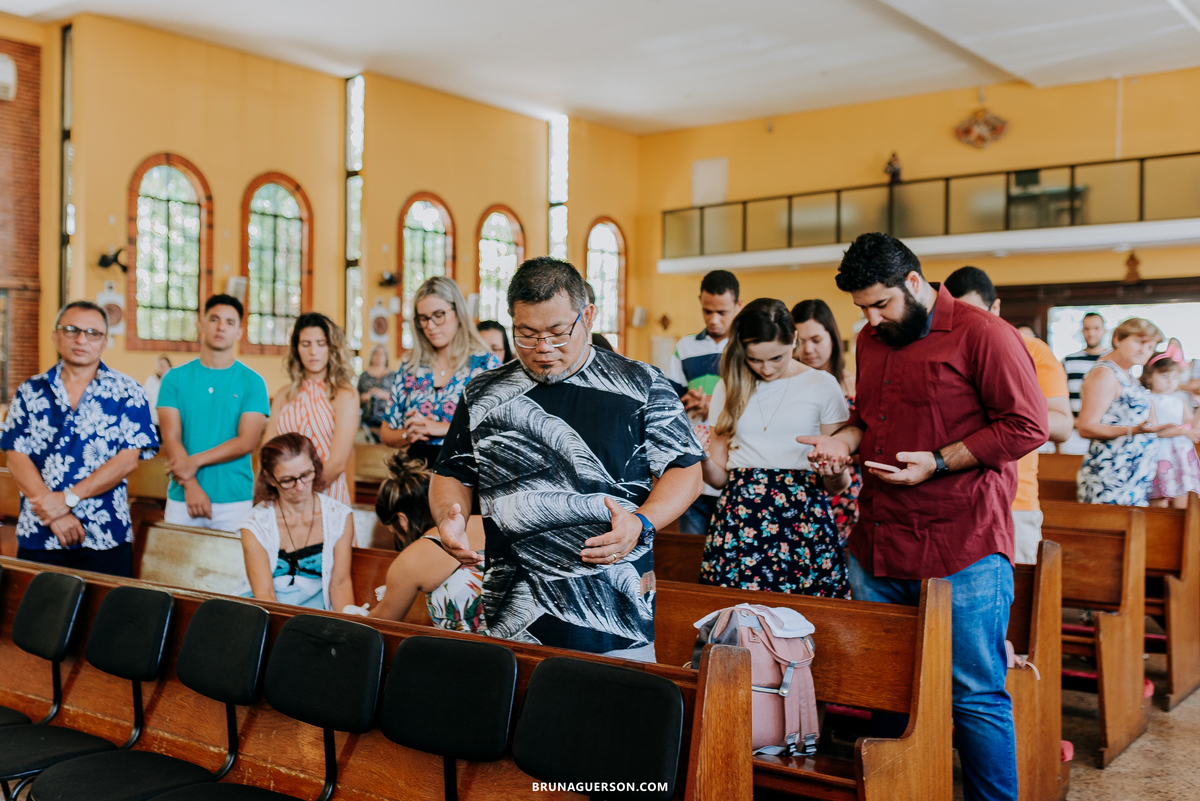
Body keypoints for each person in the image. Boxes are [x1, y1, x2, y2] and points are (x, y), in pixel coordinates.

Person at [802, 233, 1048, 801]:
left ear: (914, 283)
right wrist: (842, 441)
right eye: (861, 308)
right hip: (881, 540)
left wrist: (939, 462)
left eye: (881, 303)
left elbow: (1027, 425)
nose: (871, 318)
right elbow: (870, 418)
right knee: (884, 689)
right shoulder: (871, 339)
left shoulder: (985, 334)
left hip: (962, 543)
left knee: (975, 694)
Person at [430, 256, 703, 661]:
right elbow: (453, 472)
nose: (543, 349)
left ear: (587, 316)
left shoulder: (641, 384)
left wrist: (642, 521)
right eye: (526, 333)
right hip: (513, 618)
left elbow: (686, 471)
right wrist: (448, 515)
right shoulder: (483, 392)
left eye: (558, 332)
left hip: (616, 617)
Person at [700, 299, 851, 596]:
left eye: (777, 358)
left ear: (793, 339)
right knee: (738, 623)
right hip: (740, 518)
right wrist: (700, 457)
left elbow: (837, 485)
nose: (767, 369)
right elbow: (718, 479)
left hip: (804, 518)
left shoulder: (822, 384)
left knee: (810, 620)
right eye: (755, 360)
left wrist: (835, 472)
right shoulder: (727, 386)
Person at [1, 301, 158, 577]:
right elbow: (15, 455)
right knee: (37, 619)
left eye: (92, 333)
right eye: (72, 330)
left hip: (105, 534)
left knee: (107, 619)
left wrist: (68, 499)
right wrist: (56, 511)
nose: (81, 339)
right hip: (40, 530)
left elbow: (127, 460)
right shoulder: (30, 391)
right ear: (56, 335)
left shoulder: (128, 392)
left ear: (105, 341)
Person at [944, 266, 1073, 564]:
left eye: (976, 313)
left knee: (1016, 604)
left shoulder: (1032, 350)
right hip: (951, 499)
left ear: (996, 307)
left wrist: (1010, 417)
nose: (968, 324)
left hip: (1015, 500)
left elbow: (1063, 425)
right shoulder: (941, 350)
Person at [157, 295, 270, 530]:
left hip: (234, 498)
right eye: (214, 319)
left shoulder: (253, 382)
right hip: (182, 496)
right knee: (174, 566)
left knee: (232, 567)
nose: (221, 327)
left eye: (230, 322)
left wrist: (194, 462)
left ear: (239, 331)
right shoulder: (174, 379)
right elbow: (171, 438)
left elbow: (246, 442)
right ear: (201, 325)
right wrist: (190, 485)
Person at [379, 277, 499, 466]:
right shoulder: (411, 367)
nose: (430, 326)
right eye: (423, 318)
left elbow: (498, 427)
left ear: (458, 312)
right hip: (417, 475)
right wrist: (407, 434)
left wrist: (439, 428)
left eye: (438, 315)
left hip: (467, 474)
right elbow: (386, 433)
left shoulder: (484, 365)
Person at [364, 453, 487, 632]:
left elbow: (379, 624)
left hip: (468, 651)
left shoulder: (413, 558)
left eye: (393, 532)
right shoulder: (480, 521)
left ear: (403, 520)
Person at [239, 433, 355, 611]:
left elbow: (339, 585)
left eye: (306, 475)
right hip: (270, 613)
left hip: (319, 614)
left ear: (315, 466)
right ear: (270, 479)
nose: (300, 487)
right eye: (288, 480)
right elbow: (265, 595)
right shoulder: (255, 525)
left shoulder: (339, 517)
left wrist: (348, 631)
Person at [667, 269, 743, 536]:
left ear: (738, 306)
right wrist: (687, 401)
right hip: (695, 462)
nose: (714, 319)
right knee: (691, 548)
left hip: (731, 462)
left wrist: (713, 403)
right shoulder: (685, 347)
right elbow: (669, 402)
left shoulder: (745, 347)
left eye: (722, 312)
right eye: (707, 311)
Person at [265, 313, 358, 505]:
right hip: (283, 498)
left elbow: (338, 462)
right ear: (297, 349)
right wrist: (282, 494)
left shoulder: (344, 394)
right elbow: (268, 451)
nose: (313, 351)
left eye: (321, 343)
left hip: (327, 495)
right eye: (306, 344)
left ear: (331, 348)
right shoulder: (284, 395)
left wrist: (299, 496)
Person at [1076, 318, 1168, 507]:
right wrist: (1134, 430)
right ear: (1117, 339)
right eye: (1139, 342)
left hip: (1131, 475)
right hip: (1111, 476)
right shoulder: (1105, 373)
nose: (1144, 351)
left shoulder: (1127, 374)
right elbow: (1086, 427)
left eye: (1151, 347)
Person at [792, 298, 860, 543]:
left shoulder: (854, 384)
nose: (808, 349)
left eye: (816, 340)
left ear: (832, 336)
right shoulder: (790, 388)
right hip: (802, 486)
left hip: (848, 486)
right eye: (800, 342)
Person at [1143, 349, 1200, 508]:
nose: (1170, 382)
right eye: (1164, 376)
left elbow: (1191, 425)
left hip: (1180, 455)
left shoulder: (1179, 401)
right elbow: (1153, 431)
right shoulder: (1148, 399)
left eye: (1175, 377)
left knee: (1183, 499)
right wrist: (1183, 432)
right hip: (1160, 454)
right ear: (1149, 376)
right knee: (1159, 499)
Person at [1064, 312, 1108, 416]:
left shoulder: (1114, 360)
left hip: (1106, 427)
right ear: (1082, 331)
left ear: (1104, 331)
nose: (1091, 333)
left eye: (1096, 328)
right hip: (1074, 426)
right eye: (1087, 329)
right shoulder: (1069, 361)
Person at [357, 344, 397, 441]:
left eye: (382, 354)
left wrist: (383, 395)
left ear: (386, 357)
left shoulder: (393, 375)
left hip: (387, 419)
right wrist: (367, 396)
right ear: (372, 356)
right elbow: (356, 397)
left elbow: (398, 397)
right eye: (376, 354)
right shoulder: (364, 375)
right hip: (367, 420)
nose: (379, 357)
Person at [143, 356, 171, 428]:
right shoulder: (151, 380)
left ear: (169, 366)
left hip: (168, 422)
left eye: (163, 366)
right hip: (153, 420)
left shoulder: (174, 382)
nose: (160, 368)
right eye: (158, 366)